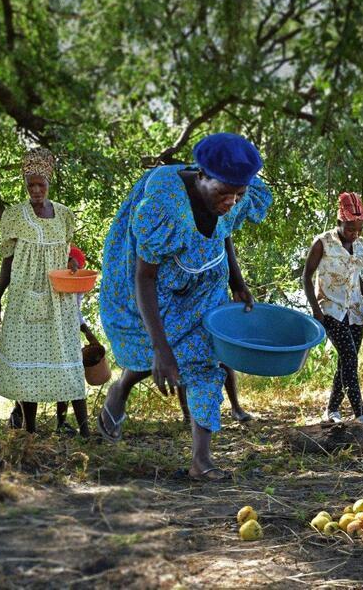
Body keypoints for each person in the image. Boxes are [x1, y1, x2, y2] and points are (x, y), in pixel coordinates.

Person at [96, 133, 271, 481]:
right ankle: (121, 388)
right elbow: (144, 278)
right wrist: (161, 349)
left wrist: (237, 282)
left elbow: (225, 229)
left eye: (239, 195)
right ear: (200, 175)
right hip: (163, 289)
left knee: (206, 366)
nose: (231, 202)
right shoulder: (165, 208)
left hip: (208, 288)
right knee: (157, 358)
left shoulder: (232, 195)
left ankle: (201, 462)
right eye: (224, 193)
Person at [0, 147, 89, 436]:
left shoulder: (65, 216)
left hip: (60, 298)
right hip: (24, 297)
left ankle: (85, 433)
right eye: (30, 185)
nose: (35, 190)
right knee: (28, 363)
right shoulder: (14, 216)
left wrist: (71, 261)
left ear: (49, 184)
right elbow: (7, 261)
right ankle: (30, 432)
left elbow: (67, 251)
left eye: (40, 184)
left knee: (68, 357)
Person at [302, 192, 363, 428]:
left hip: (355, 310)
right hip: (330, 309)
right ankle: (359, 412)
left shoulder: (359, 245)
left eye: (359, 228)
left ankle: (332, 409)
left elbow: (356, 280)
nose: (355, 233)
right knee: (348, 357)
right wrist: (316, 309)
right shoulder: (322, 243)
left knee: (347, 361)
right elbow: (307, 277)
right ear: (340, 221)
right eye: (350, 228)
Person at [7, 244, 101, 435]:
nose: (74, 271)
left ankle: (79, 431)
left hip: (66, 333)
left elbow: (75, 311)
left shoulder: (77, 287)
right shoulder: (42, 279)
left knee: (70, 376)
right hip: (41, 331)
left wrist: (87, 332)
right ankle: (28, 429)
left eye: (78, 268)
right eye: (72, 267)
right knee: (33, 375)